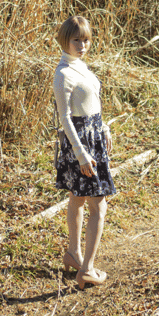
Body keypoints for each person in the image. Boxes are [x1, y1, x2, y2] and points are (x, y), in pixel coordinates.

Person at [53, 15, 116, 290]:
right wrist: (81, 154)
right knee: (98, 205)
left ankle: (74, 255)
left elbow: (92, 104)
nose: (82, 45)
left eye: (86, 39)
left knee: (78, 198)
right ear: (65, 40)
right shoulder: (63, 73)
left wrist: (104, 127)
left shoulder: (81, 68)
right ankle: (87, 270)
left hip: (93, 138)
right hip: (80, 143)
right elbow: (65, 117)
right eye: (76, 39)